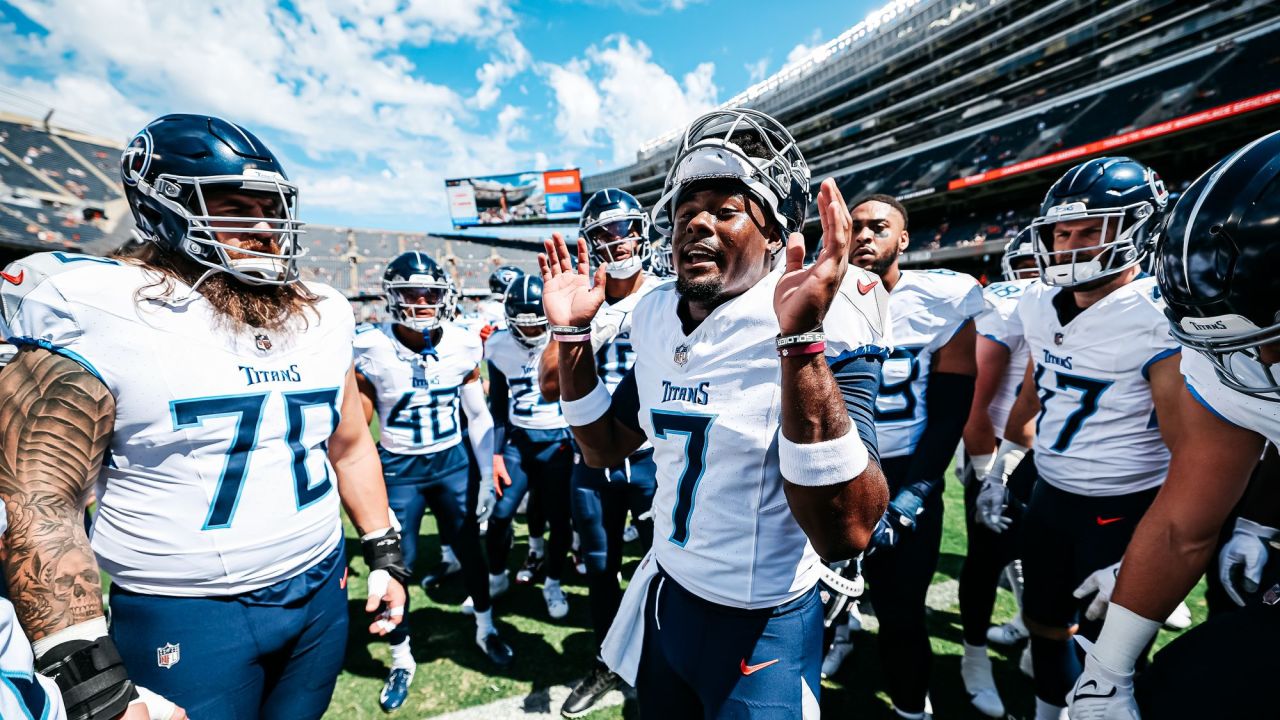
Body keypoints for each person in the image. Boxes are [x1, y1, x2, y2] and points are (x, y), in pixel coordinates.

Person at [0, 113, 407, 720]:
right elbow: (37, 504)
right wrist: (89, 677)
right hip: (186, 613)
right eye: (236, 207)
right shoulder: (101, 308)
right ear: (160, 208)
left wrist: (384, 553)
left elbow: (348, 443)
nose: (266, 228)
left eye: (272, 209)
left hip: (321, 586)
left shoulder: (324, 312)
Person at [541, 107, 891, 718]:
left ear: (778, 235)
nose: (695, 223)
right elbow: (604, 447)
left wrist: (800, 342)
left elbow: (847, 531)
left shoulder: (834, 312)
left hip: (764, 625)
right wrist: (572, 339)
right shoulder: (653, 315)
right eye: (684, 211)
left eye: (726, 211)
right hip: (668, 598)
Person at [1068, 130, 1280, 719]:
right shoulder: (1233, 357)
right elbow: (1181, 524)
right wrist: (1106, 672)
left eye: (1275, 340)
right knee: (1188, 688)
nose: (1262, 363)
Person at [979, 156, 1179, 720]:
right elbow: (1032, 394)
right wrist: (1002, 469)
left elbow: (1194, 453)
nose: (1070, 246)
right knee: (1046, 625)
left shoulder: (1156, 314)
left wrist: (1146, 550)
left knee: (1111, 652)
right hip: (1052, 491)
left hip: (1126, 503)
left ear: (1139, 230)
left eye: (1091, 231)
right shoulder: (1038, 301)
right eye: (1061, 232)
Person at [829, 194, 982, 719]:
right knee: (812, 597)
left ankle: (912, 708)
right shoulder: (816, 295)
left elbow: (950, 407)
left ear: (904, 238)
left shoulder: (943, 298)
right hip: (832, 465)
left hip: (902, 467)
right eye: (856, 227)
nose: (865, 236)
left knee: (901, 612)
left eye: (879, 227)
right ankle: (842, 635)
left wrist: (918, 488)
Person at [353, 251, 515, 711]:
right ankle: (401, 657)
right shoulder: (371, 346)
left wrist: (486, 472)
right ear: (392, 296)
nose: (422, 302)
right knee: (389, 567)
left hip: (451, 463)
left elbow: (478, 413)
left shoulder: (463, 342)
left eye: (431, 293)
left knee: (470, 550)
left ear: (446, 297)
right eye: (411, 293)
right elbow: (355, 429)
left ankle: (486, 627)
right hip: (400, 470)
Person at [537, 189, 664, 718]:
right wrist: (577, 329)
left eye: (625, 229)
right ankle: (607, 661)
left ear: (643, 231)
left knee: (670, 569)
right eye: (604, 234)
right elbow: (547, 383)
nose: (618, 242)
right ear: (590, 243)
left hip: (659, 461)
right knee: (599, 566)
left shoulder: (669, 292)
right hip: (592, 463)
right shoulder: (581, 298)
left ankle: (660, 659)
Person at [953, 228, 1039, 715]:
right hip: (1002, 457)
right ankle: (974, 658)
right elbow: (975, 406)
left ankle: (1032, 631)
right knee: (987, 561)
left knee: (1041, 560)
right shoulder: (1007, 305)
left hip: (1055, 458)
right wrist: (990, 472)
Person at [484, 275, 576, 620]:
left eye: (540, 325)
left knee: (559, 519)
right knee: (500, 515)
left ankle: (552, 581)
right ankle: (496, 577)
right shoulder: (497, 345)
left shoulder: (566, 338)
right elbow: (497, 404)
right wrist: (495, 452)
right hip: (518, 443)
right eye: (527, 327)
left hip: (559, 442)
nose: (534, 334)